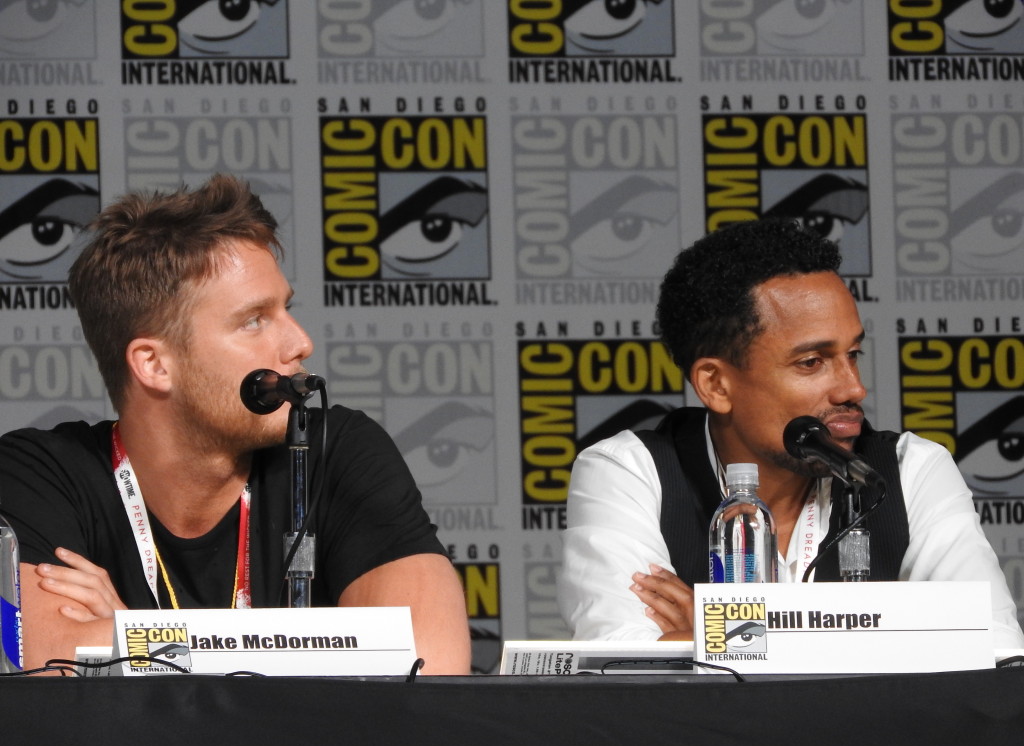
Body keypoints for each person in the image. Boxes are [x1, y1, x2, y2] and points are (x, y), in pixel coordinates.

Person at [0, 175, 471, 674]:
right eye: (253, 320)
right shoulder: (37, 475)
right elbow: (45, 668)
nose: (300, 342)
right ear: (154, 364)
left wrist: (132, 639)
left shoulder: (337, 450)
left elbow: (429, 668)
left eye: (286, 309)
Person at [557, 217, 1024, 649]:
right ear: (716, 385)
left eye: (853, 354)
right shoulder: (629, 471)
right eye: (812, 362)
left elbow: (996, 652)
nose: (853, 388)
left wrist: (717, 634)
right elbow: (624, 662)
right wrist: (893, 639)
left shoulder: (911, 469)